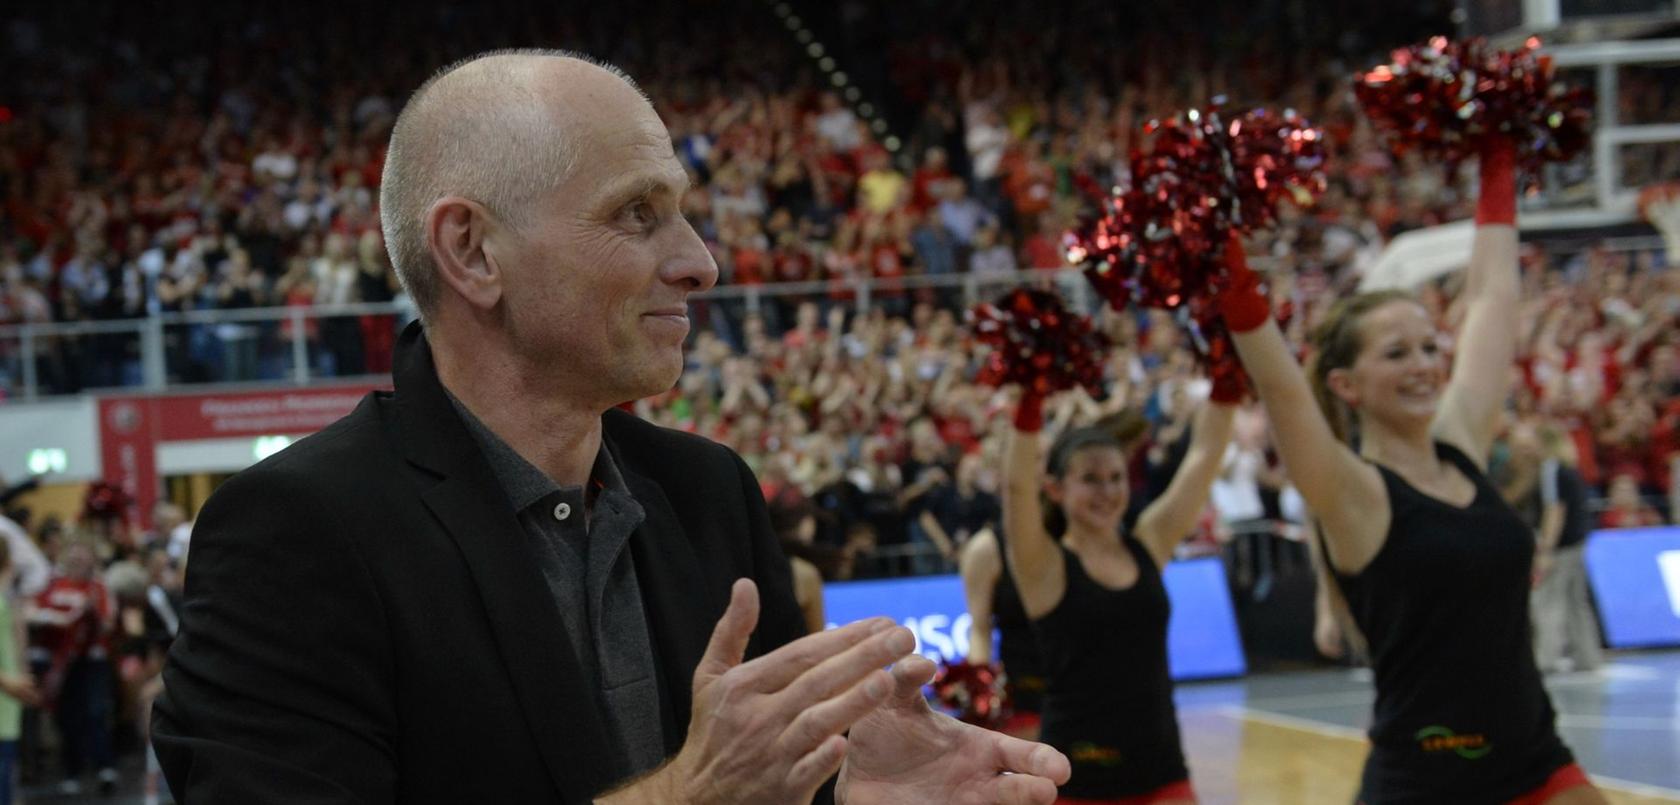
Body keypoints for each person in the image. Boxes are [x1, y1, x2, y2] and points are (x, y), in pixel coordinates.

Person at [153, 49, 1069, 804]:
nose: (701, 263)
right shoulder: (293, 531)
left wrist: (854, 793)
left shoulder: (711, 494)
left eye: (682, 212)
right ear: (472, 251)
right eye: (638, 214)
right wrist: (689, 796)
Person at [1223, 139, 1604, 803]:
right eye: (1397, 352)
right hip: (1424, 784)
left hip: (1536, 763)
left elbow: (1491, 297)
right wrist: (1223, 259)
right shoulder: (1352, 492)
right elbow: (1280, 384)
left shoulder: (1459, 443)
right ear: (1346, 384)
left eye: (1430, 346)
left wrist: (1497, 153)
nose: (1426, 364)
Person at [1001, 385, 1236, 803]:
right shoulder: (1044, 566)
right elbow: (1016, 489)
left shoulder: (1149, 541)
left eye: (1115, 478)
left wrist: (1226, 382)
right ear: (1055, 489)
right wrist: (1031, 400)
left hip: (1163, 771)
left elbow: (1203, 459)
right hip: (1076, 779)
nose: (1107, 492)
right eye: (1090, 479)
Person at [959, 527, 1046, 740]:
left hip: (1088, 688)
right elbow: (980, 631)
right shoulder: (985, 549)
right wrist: (979, 694)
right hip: (1025, 691)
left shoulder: (1090, 534)